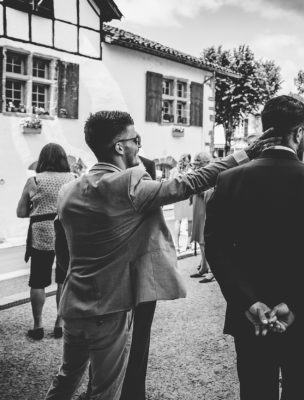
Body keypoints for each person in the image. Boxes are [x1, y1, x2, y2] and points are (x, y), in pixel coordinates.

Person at [45, 110, 277, 400]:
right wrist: (245, 154)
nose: (139, 146)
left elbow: (62, 251)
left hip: (73, 304)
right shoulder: (127, 185)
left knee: (66, 379)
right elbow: (191, 182)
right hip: (109, 309)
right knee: (105, 390)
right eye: (135, 139)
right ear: (120, 146)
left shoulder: (69, 190)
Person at [205, 95, 304, 400]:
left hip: (251, 315)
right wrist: (295, 302)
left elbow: (216, 248)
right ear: (297, 133)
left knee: (256, 391)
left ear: (265, 130)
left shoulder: (229, 179)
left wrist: (248, 302)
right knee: (298, 391)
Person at [16, 143, 75, 340]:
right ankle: (60, 324)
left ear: (42, 159)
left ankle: (38, 325)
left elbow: (21, 212)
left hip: (40, 232)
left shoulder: (33, 180)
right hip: (65, 232)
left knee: (38, 280)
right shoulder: (73, 179)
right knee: (63, 280)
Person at [189, 152, 215, 283]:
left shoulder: (212, 171)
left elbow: (213, 190)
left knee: (205, 240)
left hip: (206, 208)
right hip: (198, 207)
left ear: (205, 162)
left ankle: (211, 270)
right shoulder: (200, 171)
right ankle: (204, 266)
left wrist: (201, 190)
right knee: (200, 240)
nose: (196, 166)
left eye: (198, 163)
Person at [169, 154, 194, 252]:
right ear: (187, 161)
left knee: (178, 221)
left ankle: (176, 245)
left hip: (178, 199)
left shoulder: (174, 171)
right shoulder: (191, 171)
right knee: (190, 221)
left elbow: (169, 184)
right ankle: (188, 243)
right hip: (188, 198)